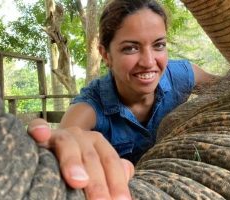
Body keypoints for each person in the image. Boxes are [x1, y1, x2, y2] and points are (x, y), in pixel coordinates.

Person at [28, 0, 217, 199]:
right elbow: (68, 138)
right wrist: (63, 146)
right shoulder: (90, 106)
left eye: (159, 45)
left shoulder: (181, 75)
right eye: (130, 48)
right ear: (105, 55)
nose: (149, 62)